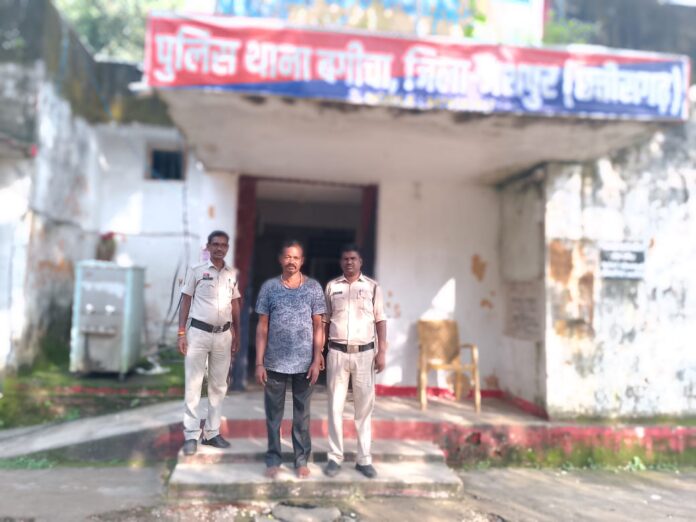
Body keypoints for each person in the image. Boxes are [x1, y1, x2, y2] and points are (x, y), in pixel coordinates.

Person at [255, 240, 326, 479]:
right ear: (280, 259)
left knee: (302, 416)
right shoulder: (269, 288)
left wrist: (316, 359)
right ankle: (273, 459)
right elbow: (262, 327)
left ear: (302, 261)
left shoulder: (313, 288)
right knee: (273, 416)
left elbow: (319, 326)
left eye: (296, 257)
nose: (291, 261)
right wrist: (259, 362)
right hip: (274, 362)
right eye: (287, 257)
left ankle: (301, 460)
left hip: (304, 364)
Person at [323, 244, 387, 479]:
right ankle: (334, 457)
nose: (349, 262)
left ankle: (364, 459)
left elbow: (380, 320)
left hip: (365, 354)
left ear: (361, 262)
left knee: (364, 408)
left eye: (353, 258)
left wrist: (382, 351)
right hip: (337, 353)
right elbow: (325, 320)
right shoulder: (332, 287)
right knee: (334, 407)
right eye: (345, 259)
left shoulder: (372, 287)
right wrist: (320, 352)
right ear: (341, 262)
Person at [178, 230, 241, 456]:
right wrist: (181, 333)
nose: (219, 248)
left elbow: (235, 304)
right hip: (198, 334)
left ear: (227, 248)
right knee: (194, 384)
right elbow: (186, 300)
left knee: (218, 386)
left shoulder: (231, 274)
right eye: (215, 244)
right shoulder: (196, 270)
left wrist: (237, 333)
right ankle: (191, 435)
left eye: (223, 245)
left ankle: (212, 433)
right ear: (208, 246)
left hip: (223, 335)